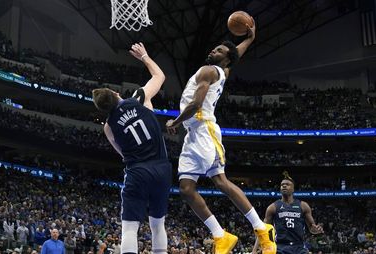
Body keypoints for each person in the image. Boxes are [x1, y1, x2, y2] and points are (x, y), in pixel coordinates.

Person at [165, 17, 276, 254]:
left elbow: (196, 105)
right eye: (215, 47)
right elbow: (236, 54)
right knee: (185, 188)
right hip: (193, 134)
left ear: (224, 58)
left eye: (218, 50)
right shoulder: (222, 70)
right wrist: (249, 38)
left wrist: (174, 121)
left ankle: (261, 229)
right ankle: (220, 235)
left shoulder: (208, 71)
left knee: (220, 181)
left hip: (204, 130)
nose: (213, 50)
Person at [92, 42, 172, 254]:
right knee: (157, 224)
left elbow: (123, 154)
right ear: (116, 94)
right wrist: (144, 56)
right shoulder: (139, 98)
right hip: (162, 168)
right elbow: (160, 77)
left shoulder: (108, 127)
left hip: (137, 171)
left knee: (129, 228)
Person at [252, 172, 324, 254]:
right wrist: (254, 249)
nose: (284, 186)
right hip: (280, 247)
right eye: (282, 185)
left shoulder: (303, 206)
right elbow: (262, 230)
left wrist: (316, 230)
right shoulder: (273, 207)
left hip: (299, 247)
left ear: (293, 189)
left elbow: (312, 228)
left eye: (287, 184)